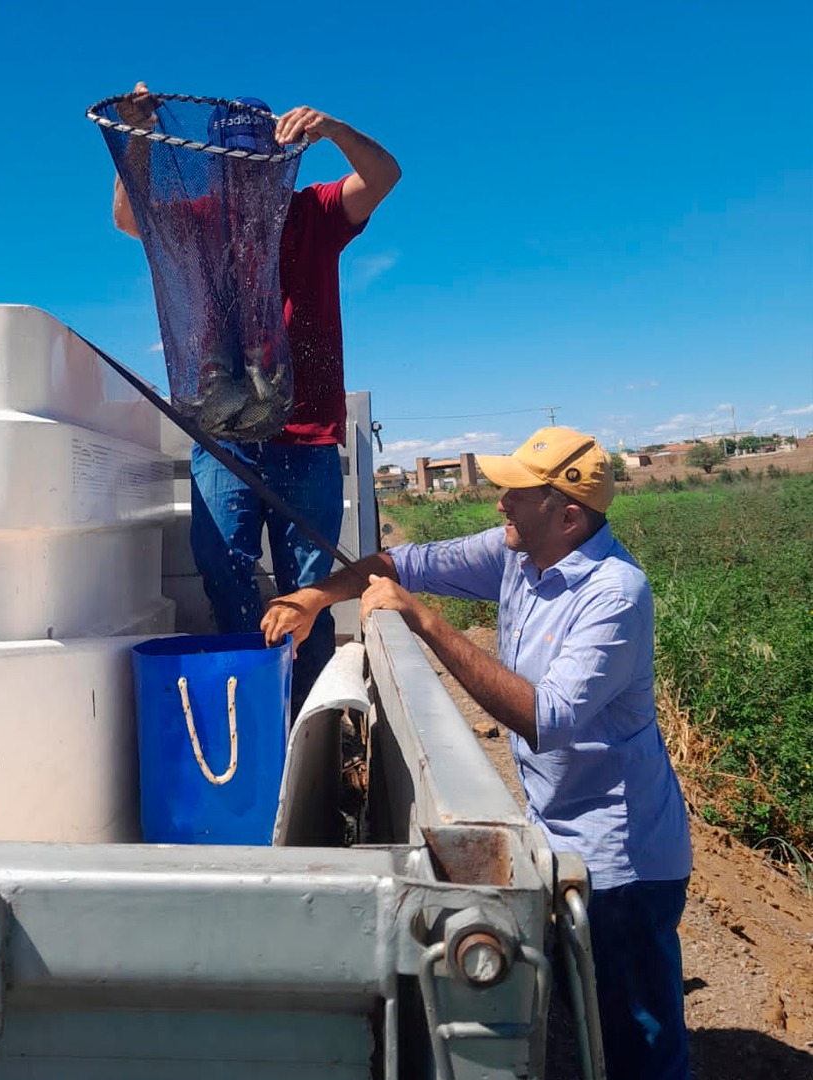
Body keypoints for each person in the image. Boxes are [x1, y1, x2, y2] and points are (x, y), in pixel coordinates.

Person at [261, 426, 693, 1080]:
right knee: (590, 1029)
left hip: (623, 862)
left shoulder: (614, 594)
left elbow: (542, 717)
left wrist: (424, 622)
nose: (500, 504)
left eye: (517, 493)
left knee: (640, 1045)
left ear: (568, 515)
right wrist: (315, 598)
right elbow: (400, 565)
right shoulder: (519, 554)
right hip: (562, 836)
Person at [113, 82, 400, 714]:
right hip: (225, 440)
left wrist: (335, 128)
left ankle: (310, 723)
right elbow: (131, 216)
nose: (242, 176)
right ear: (217, 162)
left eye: (254, 162)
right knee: (223, 570)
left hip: (310, 441)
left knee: (312, 592)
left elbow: (384, 175)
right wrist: (137, 137)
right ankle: (249, 708)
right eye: (232, 162)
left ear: (276, 162)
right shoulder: (200, 218)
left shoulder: (316, 211)